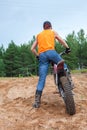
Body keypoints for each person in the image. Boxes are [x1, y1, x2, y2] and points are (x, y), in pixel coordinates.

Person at [31, 21, 71, 108]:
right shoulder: (53, 32)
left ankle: (37, 102)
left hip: (42, 55)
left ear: (43, 28)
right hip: (51, 53)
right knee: (63, 65)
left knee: (42, 79)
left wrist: (38, 56)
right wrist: (67, 48)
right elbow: (61, 40)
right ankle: (70, 82)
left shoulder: (39, 35)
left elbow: (32, 49)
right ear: (50, 27)